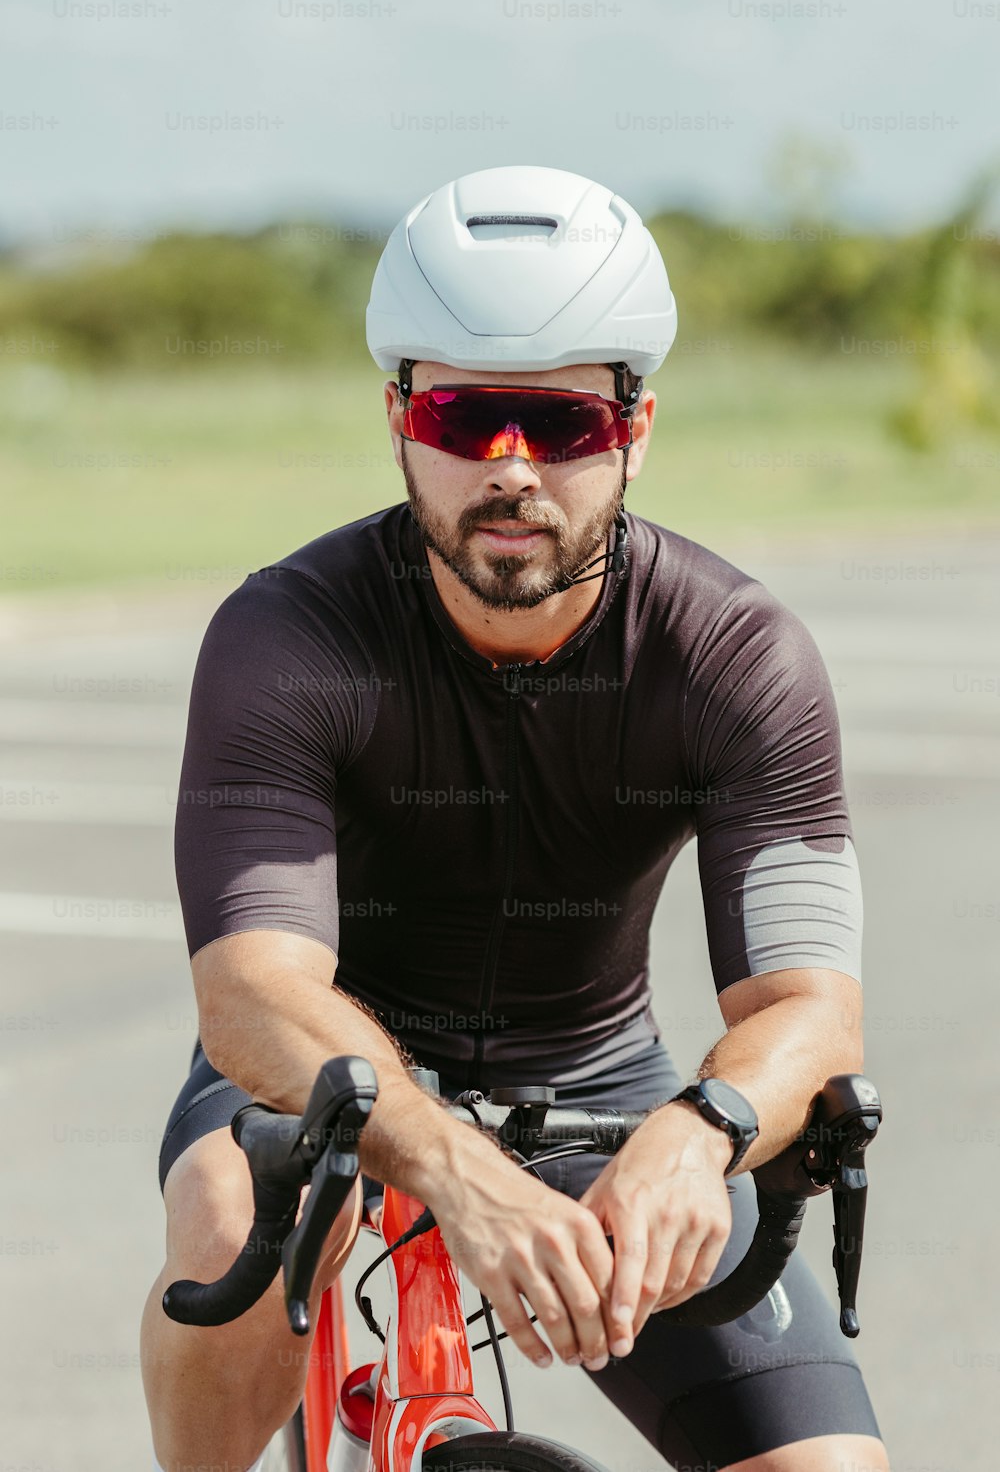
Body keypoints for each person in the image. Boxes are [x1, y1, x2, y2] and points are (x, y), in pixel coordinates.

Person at [141, 165, 891, 1472]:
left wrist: (697, 1133)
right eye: (466, 414)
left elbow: (810, 1013)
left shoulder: (738, 656)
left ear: (637, 428)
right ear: (397, 419)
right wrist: (446, 1164)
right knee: (224, 1213)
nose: (510, 471)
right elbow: (253, 991)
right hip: (326, 1076)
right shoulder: (285, 636)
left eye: (561, 426)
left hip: (599, 1084)